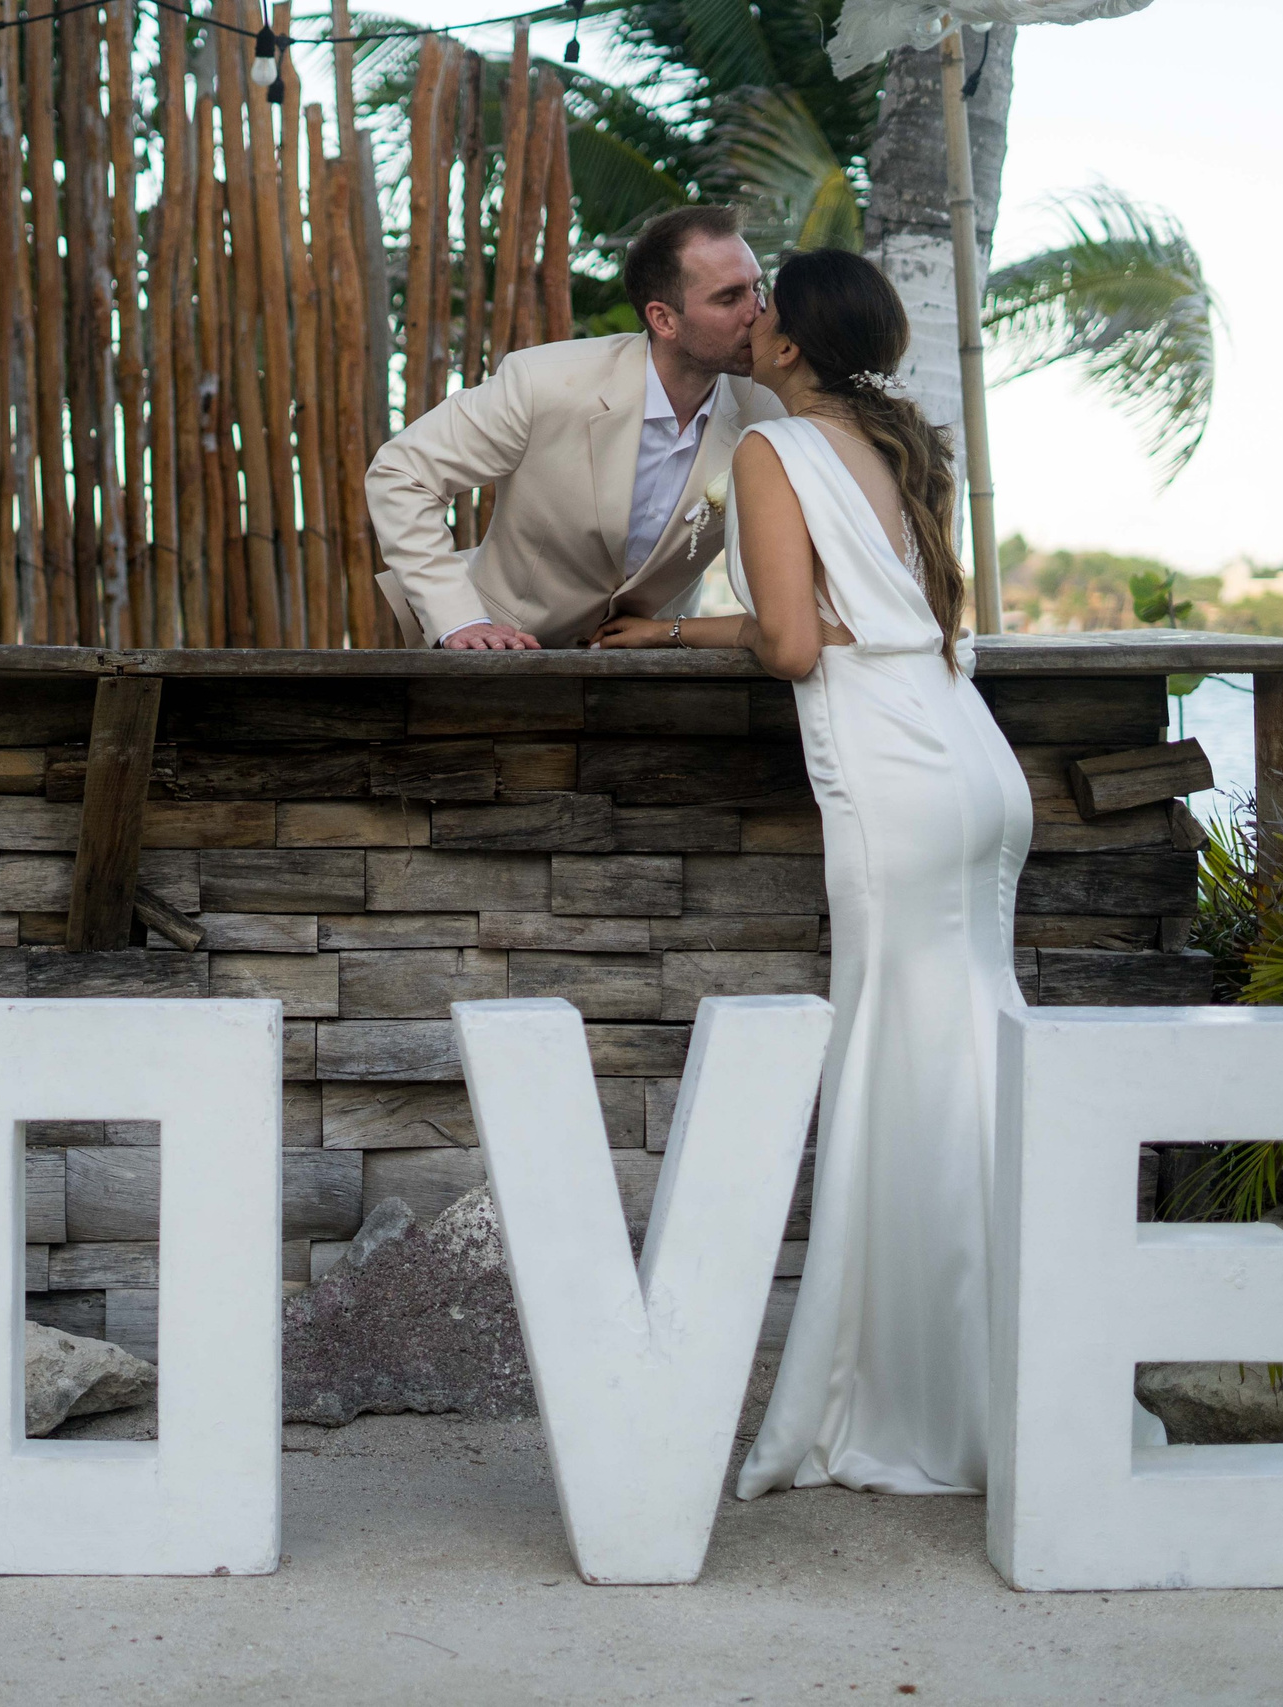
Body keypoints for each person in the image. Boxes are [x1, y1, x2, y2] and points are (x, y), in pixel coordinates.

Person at [593, 246, 1034, 1498]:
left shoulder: (772, 453)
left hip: (893, 775)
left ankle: (905, 1403)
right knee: (970, 1064)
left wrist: (680, 629)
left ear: (788, 345)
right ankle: (1001, 1374)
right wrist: (741, 625)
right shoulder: (892, 446)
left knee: (901, 1070)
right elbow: (839, 616)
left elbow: (793, 644)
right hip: (972, 760)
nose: (753, 321)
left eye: (765, 307)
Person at [364, 205, 785, 650]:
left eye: (757, 288)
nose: (757, 313)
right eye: (728, 297)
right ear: (664, 320)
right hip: (501, 661)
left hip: (650, 673)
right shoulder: (543, 381)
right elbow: (402, 473)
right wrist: (460, 621)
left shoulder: (770, 411)